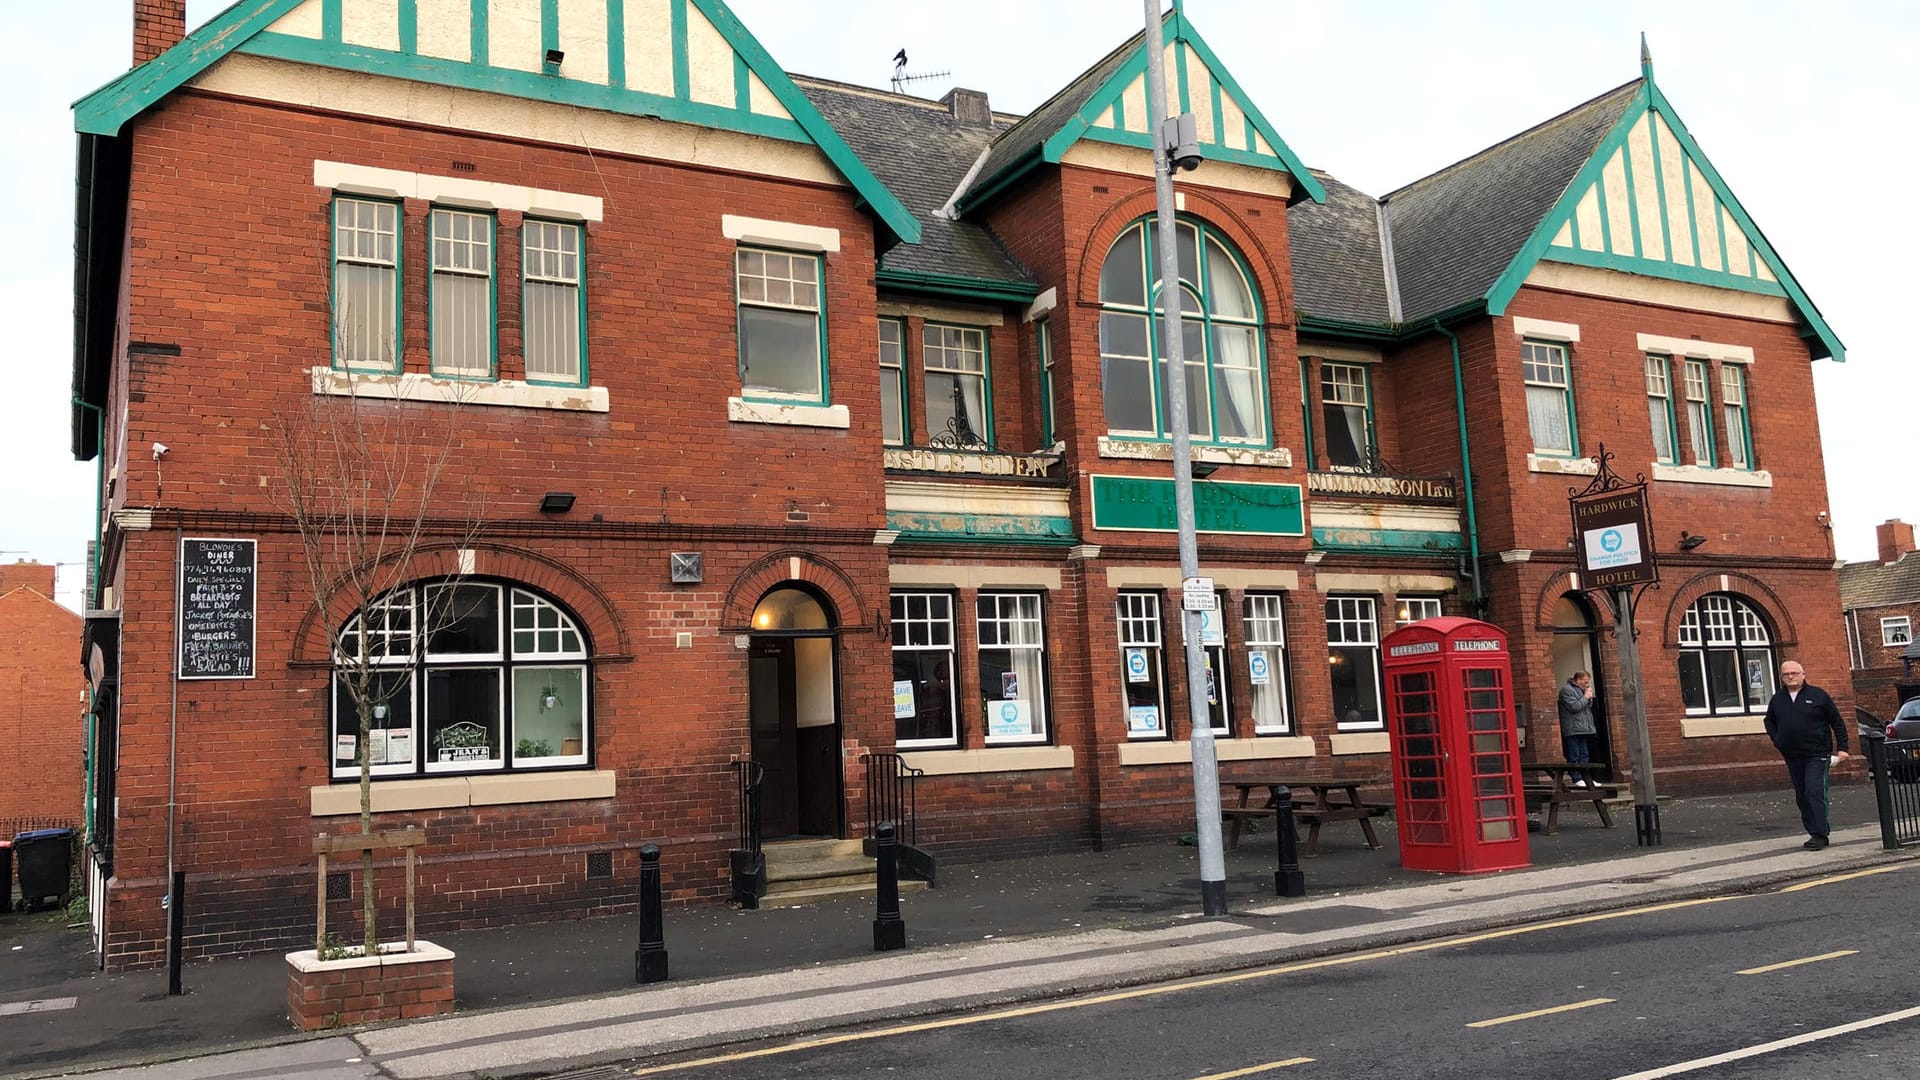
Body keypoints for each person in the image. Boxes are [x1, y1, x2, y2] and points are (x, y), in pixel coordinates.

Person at [1762, 660, 1850, 850]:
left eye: (1794, 673)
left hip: (1817, 754)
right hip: (1792, 755)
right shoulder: (1778, 699)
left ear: (1803, 674)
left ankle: (1820, 833)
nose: (1791, 677)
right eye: (1787, 674)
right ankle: (1812, 831)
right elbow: (1769, 722)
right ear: (1782, 677)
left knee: (1814, 792)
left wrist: (1843, 748)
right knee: (1802, 795)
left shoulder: (1818, 696)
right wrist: (1778, 740)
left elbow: (1837, 722)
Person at [1557, 672, 1597, 785]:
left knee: (1584, 754)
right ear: (1578, 679)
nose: (1587, 684)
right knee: (1574, 754)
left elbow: (1587, 707)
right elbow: (1574, 707)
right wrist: (1586, 696)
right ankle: (1576, 777)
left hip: (1584, 727)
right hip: (1573, 728)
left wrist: (1588, 697)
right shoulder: (1567, 690)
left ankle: (1586, 778)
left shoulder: (1581, 690)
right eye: (1585, 681)